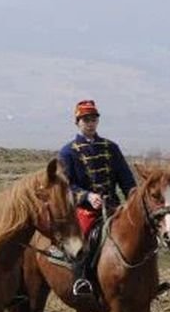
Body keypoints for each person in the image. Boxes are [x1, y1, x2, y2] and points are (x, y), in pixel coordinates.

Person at [58, 99, 136, 300]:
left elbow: (126, 179)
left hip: (113, 206)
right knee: (81, 239)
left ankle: (145, 280)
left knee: (140, 232)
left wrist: (133, 200)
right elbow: (66, 186)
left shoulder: (111, 147)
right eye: (85, 119)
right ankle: (81, 280)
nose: (90, 123)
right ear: (77, 122)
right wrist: (87, 196)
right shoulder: (68, 152)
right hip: (85, 208)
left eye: (93, 119)